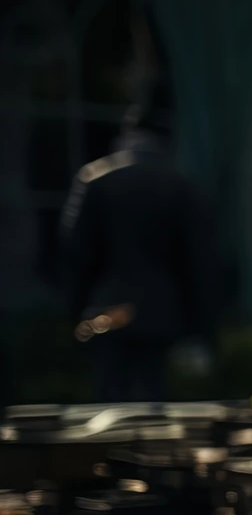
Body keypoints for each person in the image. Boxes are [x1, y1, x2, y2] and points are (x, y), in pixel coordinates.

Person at [60, 104, 216, 403]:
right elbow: (200, 263)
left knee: (108, 404)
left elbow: (75, 253)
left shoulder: (95, 179)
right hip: (162, 312)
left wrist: (75, 311)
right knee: (156, 405)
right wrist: (203, 329)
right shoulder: (182, 186)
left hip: (107, 310)